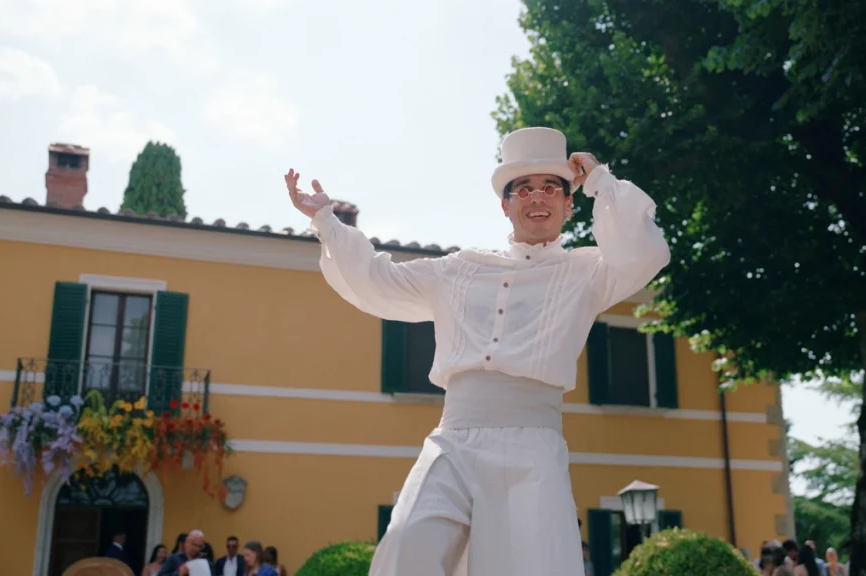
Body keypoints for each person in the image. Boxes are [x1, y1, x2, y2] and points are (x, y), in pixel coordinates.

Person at [285, 126, 670, 575]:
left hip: (533, 445)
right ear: (506, 205)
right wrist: (326, 222)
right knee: (408, 545)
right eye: (523, 189)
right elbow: (377, 280)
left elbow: (645, 253)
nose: (537, 197)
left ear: (569, 202)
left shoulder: (588, 273)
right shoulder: (461, 268)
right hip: (453, 439)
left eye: (551, 187)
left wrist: (600, 179)